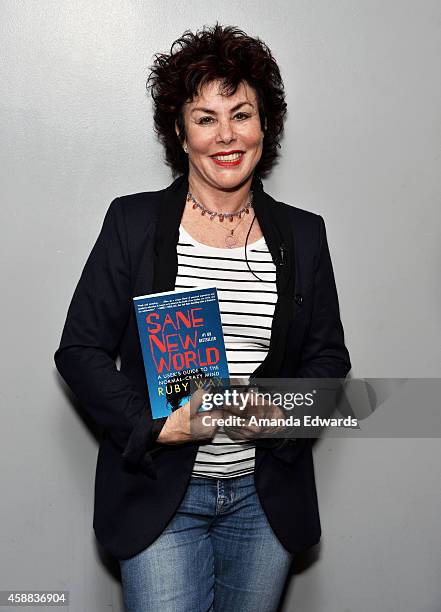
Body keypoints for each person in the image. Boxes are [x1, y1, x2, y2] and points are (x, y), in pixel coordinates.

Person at [54, 23, 351, 612]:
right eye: (205, 117)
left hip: (263, 501)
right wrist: (156, 426)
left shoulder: (304, 234)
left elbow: (330, 359)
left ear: (266, 124)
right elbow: (79, 351)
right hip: (162, 497)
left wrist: (278, 411)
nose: (226, 136)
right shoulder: (133, 225)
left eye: (241, 114)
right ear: (179, 130)